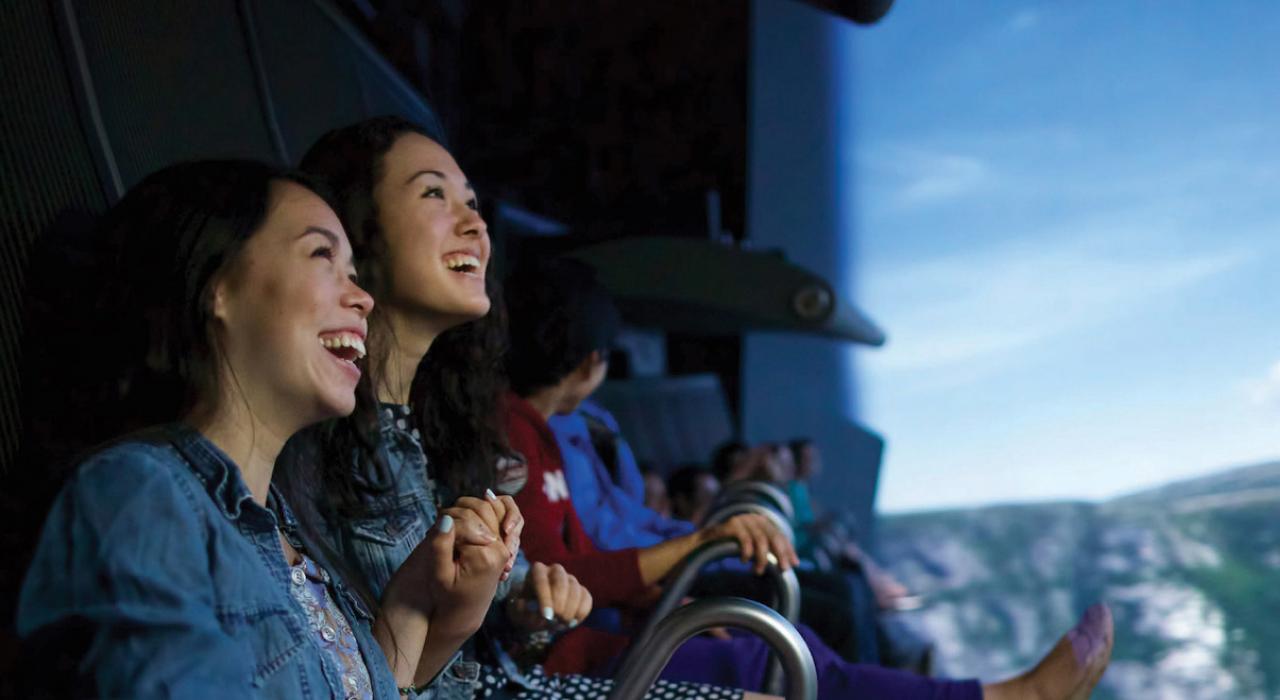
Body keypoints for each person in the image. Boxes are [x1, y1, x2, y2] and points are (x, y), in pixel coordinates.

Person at [501, 256, 1116, 700]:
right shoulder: (526, 435)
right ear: (589, 362)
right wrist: (690, 551)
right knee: (794, 643)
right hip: (575, 660)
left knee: (802, 640)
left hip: (612, 620)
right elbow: (561, 576)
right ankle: (1001, 696)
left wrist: (668, 594)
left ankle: (985, 692)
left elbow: (571, 563)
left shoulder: (553, 433)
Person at [292, 115, 758, 700]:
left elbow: (489, 635)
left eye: (473, 203)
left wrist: (532, 610)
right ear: (354, 231)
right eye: (434, 193)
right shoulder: (310, 438)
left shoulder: (440, 424)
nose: (475, 224)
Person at [15, 160, 507, 697]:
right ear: (216, 286)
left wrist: (424, 610)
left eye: (356, 274)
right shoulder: (139, 495)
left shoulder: (284, 523)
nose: (363, 299)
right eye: (322, 255)